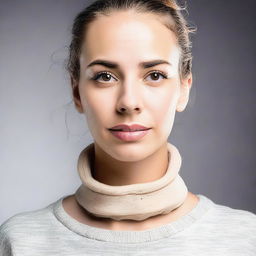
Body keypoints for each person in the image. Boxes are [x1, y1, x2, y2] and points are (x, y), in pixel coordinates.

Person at [0, 0, 255, 255]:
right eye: (105, 76)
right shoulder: (20, 242)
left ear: (183, 89)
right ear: (77, 92)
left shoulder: (245, 239)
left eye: (155, 75)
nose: (129, 102)